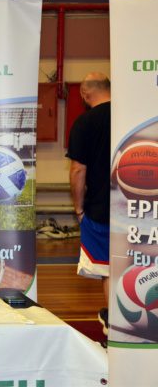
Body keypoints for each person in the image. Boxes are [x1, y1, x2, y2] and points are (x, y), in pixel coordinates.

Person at [66, 72, 111, 335]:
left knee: (109, 267)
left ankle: (115, 323)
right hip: (139, 206)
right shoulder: (132, 115)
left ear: (84, 94)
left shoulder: (85, 122)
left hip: (100, 208)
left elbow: (78, 170)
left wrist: (78, 208)